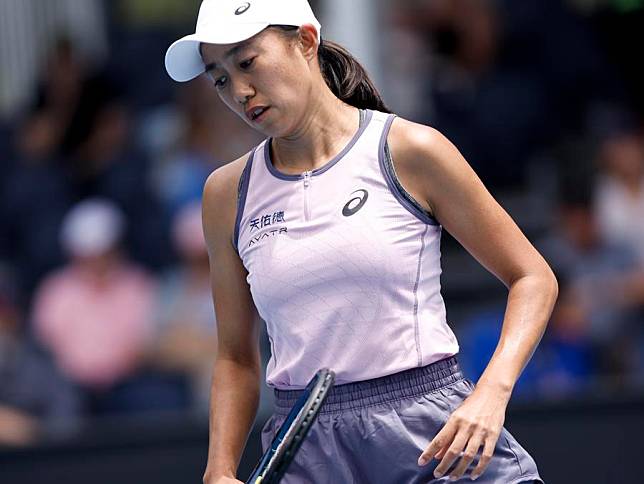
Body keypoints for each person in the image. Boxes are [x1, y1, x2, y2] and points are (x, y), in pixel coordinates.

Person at [164, 1, 558, 482]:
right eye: (220, 78)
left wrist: (492, 392)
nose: (240, 91)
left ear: (305, 41)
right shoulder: (225, 194)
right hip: (307, 452)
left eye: (247, 62)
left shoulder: (412, 150)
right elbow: (235, 357)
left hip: (431, 435)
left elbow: (533, 277)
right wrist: (219, 469)